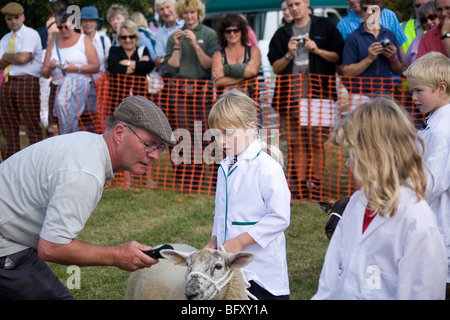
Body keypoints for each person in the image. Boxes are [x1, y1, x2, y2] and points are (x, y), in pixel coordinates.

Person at [0, 95, 174, 300]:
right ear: (119, 133)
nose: (155, 155)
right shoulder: (85, 172)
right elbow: (53, 247)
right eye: (149, 143)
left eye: (159, 147)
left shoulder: (88, 146)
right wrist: (117, 256)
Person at [312, 98, 447, 299]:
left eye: (351, 155)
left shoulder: (417, 222)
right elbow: (330, 282)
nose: (347, 164)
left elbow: (421, 293)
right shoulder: (355, 205)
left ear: (376, 154)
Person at [204, 89, 290, 300]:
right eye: (216, 134)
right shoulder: (223, 167)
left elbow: (279, 217)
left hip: (263, 274)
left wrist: (241, 241)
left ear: (251, 127)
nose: (220, 140)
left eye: (227, 133)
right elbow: (221, 214)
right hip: (230, 268)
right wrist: (215, 240)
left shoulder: (267, 167)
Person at [268, 0, 344, 199]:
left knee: (318, 142)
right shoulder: (282, 33)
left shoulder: (325, 26)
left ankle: (316, 185)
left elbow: (338, 57)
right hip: (289, 97)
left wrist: (316, 50)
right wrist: (289, 53)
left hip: (320, 95)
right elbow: (275, 67)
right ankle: (301, 186)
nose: (294, 8)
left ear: (306, 3)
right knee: (297, 143)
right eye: (290, 5)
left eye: (297, 3)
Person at [404, 52, 450, 298]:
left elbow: (432, 183)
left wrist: (403, 199)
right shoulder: (435, 122)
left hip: (441, 226)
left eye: (418, 91)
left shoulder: (444, 129)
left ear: (441, 88)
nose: (413, 98)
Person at [164, 0, 221, 192]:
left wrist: (195, 45)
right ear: (181, 14)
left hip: (202, 89)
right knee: (182, 135)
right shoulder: (175, 37)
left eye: (192, 12)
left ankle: (210, 179)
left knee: (206, 134)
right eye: (185, 13)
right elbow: (171, 68)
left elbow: (208, 65)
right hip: (179, 89)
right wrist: (178, 45)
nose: (189, 16)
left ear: (199, 13)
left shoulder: (209, 35)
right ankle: (185, 179)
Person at [41, 7, 100, 135]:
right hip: (57, 90)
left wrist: (75, 68)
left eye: (66, 27)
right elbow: (44, 73)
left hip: (80, 91)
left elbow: (96, 66)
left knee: (82, 130)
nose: (63, 30)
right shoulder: (52, 43)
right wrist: (50, 68)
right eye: (60, 27)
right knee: (57, 129)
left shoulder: (84, 40)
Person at [0, 2, 43, 160]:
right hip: (8, 81)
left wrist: (6, 57)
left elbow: (24, 58)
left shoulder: (30, 34)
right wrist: (14, 58)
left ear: (23, 17)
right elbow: (3, 62)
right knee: (8, 124)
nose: (13, 21)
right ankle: (11, 160)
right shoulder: (5, 39)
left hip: (27, 81)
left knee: (31, 122)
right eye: (9, 18)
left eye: (16, 17)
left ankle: (37, 159)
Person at [341, 0, 403, 101]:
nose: (369, 13)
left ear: (381, 12)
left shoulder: (390, 35)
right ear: (361, 11)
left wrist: (393, 58)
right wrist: (369, 59)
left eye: (374, 10)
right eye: (365, 9)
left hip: (385, 94)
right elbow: (347, 72)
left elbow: (399, 71)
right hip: (361, 95)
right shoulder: (353, 37)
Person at [212, 13, 261, 99]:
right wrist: (246, 77)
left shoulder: (253, 50)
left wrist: (225, 71)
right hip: (225, 105)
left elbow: (253, 71)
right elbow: (218, 82)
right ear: (223, 33)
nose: (232, 34)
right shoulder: (218, 55)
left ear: (242, 31)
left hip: (251, 103)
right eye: (228, 31)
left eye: (236, 30)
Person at [107, 19, 154, 108]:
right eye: (124, 37)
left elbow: (148, 66)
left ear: (136, 37)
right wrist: (138, 65)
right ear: (119, 38)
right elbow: (113, 68)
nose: (128, 40)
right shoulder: (114, 50)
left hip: (141, 101)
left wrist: (126, 63)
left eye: (131, 36)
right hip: (118, 101)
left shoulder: (143, 50)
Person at [337, 0, 408, 55]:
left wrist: (401, 69)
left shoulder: (389, 15)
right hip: (362, 72)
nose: (352, 0)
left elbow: (400, 47)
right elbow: (342, 57)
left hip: (391, 72)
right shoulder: (342, 25)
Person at [403, 1, 439, 67]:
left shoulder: (446, 38)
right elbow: (404, 68)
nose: (428, 22)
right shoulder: (417, 40)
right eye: (424, 20)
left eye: (432, 17)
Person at [154, 0, 184, 75]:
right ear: (158, 12)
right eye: (161, 9)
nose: (166, 12)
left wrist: (165, 58)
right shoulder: (159, 34)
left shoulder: (185, 25)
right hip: (170, 76)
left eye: (168, 7)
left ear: (175, 7)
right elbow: (158, 59)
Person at [80, 6, 111, 75]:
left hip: (101, 82)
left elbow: (109, 61)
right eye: (85, 21)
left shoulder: (104, 40)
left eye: (91, 20)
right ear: (81, 23)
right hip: (81, 82)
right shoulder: (77, 41)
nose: (88, 23)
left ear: (96, 22)